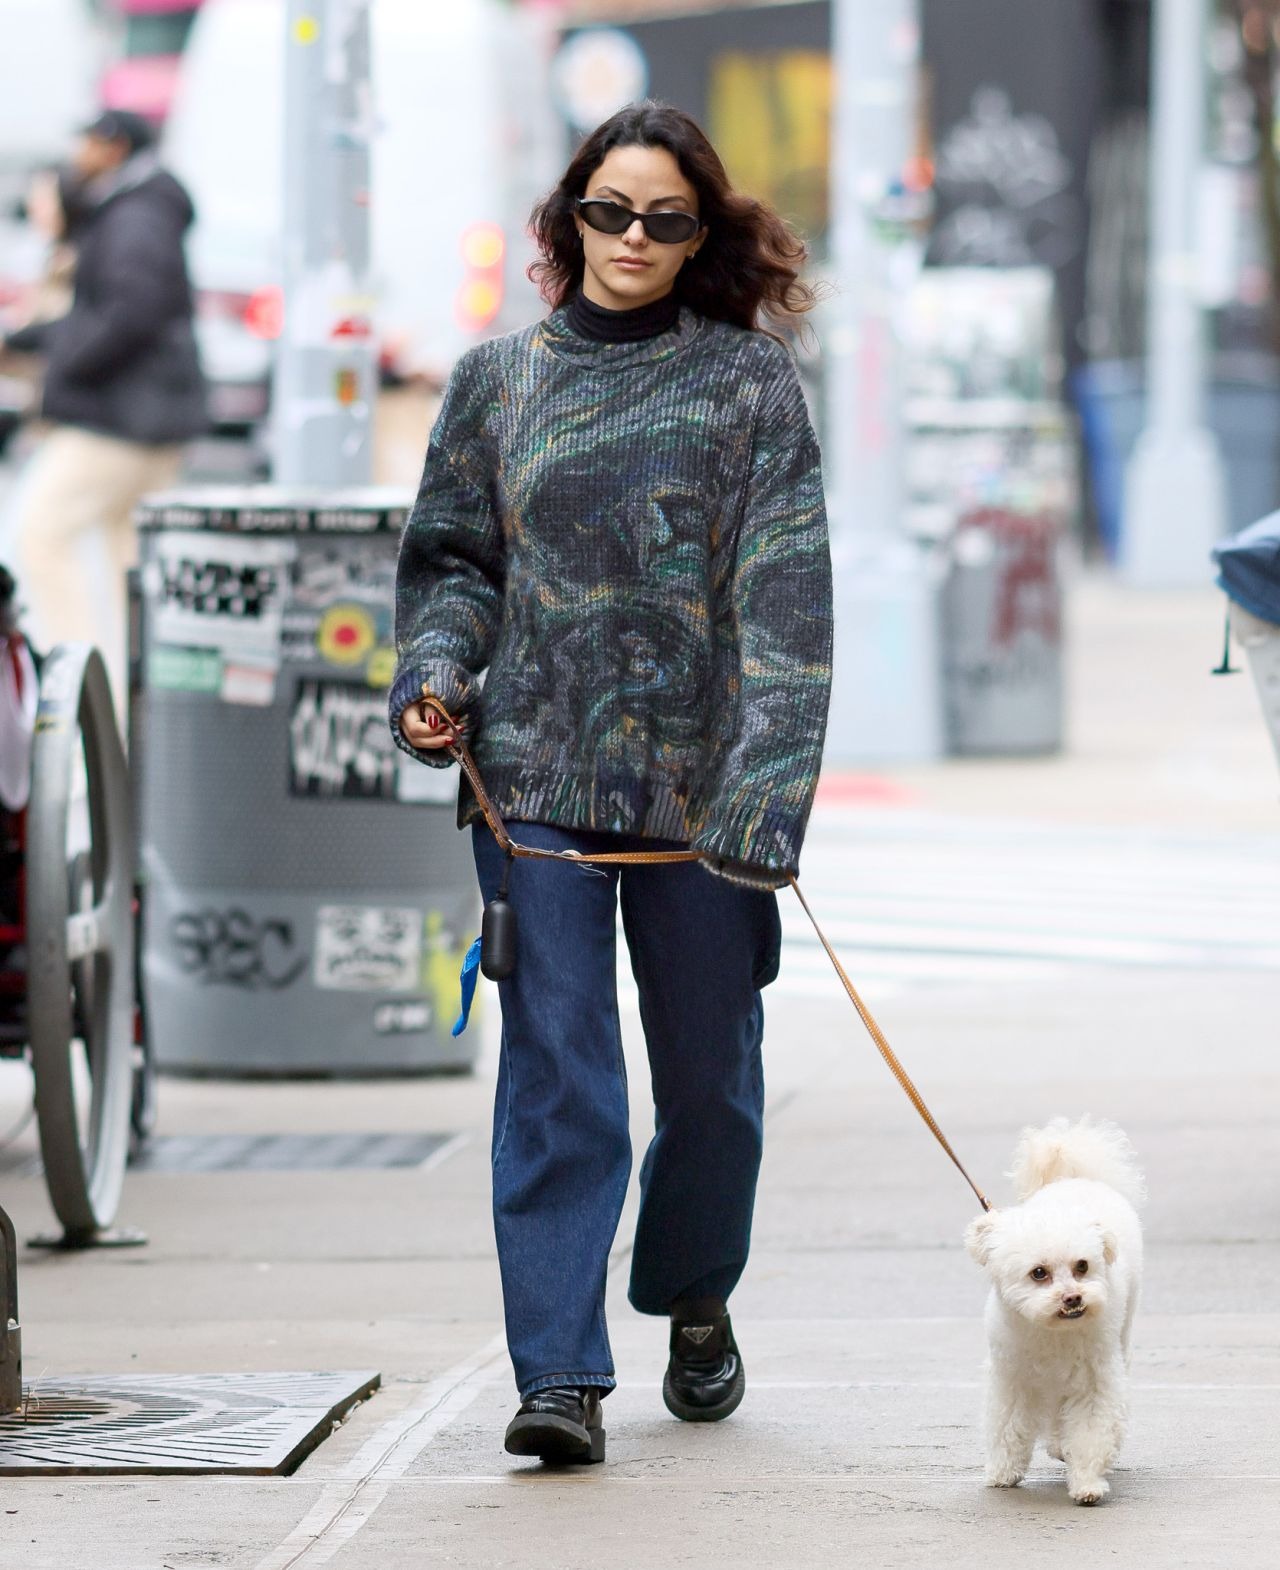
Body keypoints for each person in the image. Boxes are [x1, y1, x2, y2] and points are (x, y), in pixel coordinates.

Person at [390, 101, 833, 1466]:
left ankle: (694, 1290)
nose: (633, 237)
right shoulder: (495, 381)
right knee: (560, 1070)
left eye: (666, 218)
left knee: (709, 1084)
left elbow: (786, 598)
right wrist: (437, 672)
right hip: (531, 783)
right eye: (610, 209)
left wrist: (768, 789)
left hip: (703, 801)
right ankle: (561, 1374)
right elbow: (455, 561)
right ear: (565, 215)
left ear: (701, 233)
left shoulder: (750, 387)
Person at [0, 109, 207, 708]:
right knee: (123, 559)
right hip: (143, 416)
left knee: (45, 533)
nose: (77, 153)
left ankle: (81, 684)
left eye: (86, 141)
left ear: (113, 147)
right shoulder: (139, 208)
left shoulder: (134, 213)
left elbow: (130, 312)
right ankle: (128, 694)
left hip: (123, 420)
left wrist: (64, 365)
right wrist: (30, 342)